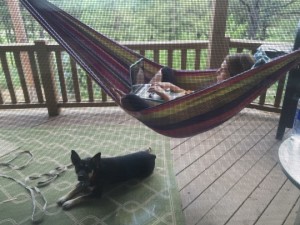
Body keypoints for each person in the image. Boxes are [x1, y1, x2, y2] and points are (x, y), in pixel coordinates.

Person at [117, 53, 255, 111]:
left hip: (169, 109)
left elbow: (184, 109)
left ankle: (141, 96)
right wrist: (170, 86)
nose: (217, 71)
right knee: (166, 71)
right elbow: (190, 95)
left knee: (129, 98)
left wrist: (164, 94)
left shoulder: (219, 96)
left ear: (234, 76)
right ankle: (147, 92)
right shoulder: (219, 88)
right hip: (176, 99)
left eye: (223, 70)